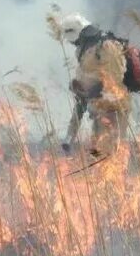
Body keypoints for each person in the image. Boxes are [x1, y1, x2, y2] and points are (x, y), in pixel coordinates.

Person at [52, 13, 132, 156]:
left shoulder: (106, 45)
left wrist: (91, 92)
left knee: (109, 156)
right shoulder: (85, 51)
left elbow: (114, 79)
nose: (71, 44)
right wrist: (80, 88)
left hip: (114, 109)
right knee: (98, 154)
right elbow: (87, 83)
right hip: (98, 109)